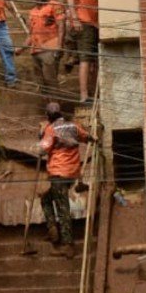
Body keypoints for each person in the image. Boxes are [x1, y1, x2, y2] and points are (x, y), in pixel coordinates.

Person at [38, 101, 88, 259]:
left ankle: (68, 245)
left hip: (58, 174)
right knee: (46, 199)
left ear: (48, 116)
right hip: (72, 174)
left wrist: (41, 135)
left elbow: (42, 149)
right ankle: (52, 228)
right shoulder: (73, 126)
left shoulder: (50, 129)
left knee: (62, 207)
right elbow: (88, 137)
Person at [65, 0, 99, 104]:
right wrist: (75, 18)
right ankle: (84, 96)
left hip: (90, 24)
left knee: (91, 60)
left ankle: (90, 93)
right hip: (83, 23)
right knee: (85, 59)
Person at [20, 0, 63, 94]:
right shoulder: (32, 12)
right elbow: (31, 34)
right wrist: (21, 49)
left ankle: (56, 108)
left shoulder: (54, 5)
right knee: (41, 84)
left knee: (51, 81)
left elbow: (62, 26)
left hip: (50, 48)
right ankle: (49, 108)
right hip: (35, 51)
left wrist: (59, 46)